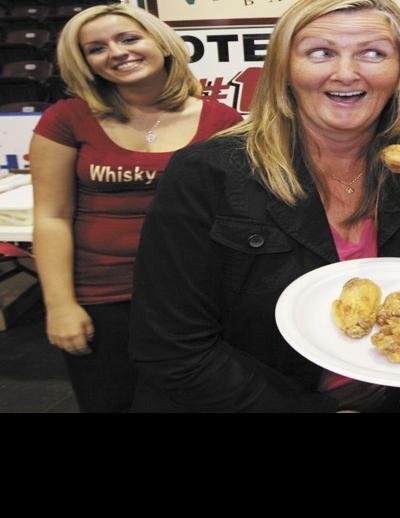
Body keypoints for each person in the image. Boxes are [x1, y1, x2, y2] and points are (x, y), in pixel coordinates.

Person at [126, 0, 400, 412]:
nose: (346, 72)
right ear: (284, 69)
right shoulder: (206, 173)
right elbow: (171, 347)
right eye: (321, 52)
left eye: (373, 53)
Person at [30, 4, 242, 412]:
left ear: (160, 44)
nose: (116, 52)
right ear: (86, 63)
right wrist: (60, 305)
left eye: (129, 38)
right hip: (103, 295)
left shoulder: (223, 120)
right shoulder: (66, 118)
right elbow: (51, 217)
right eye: (96, 48)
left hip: (196, 296)